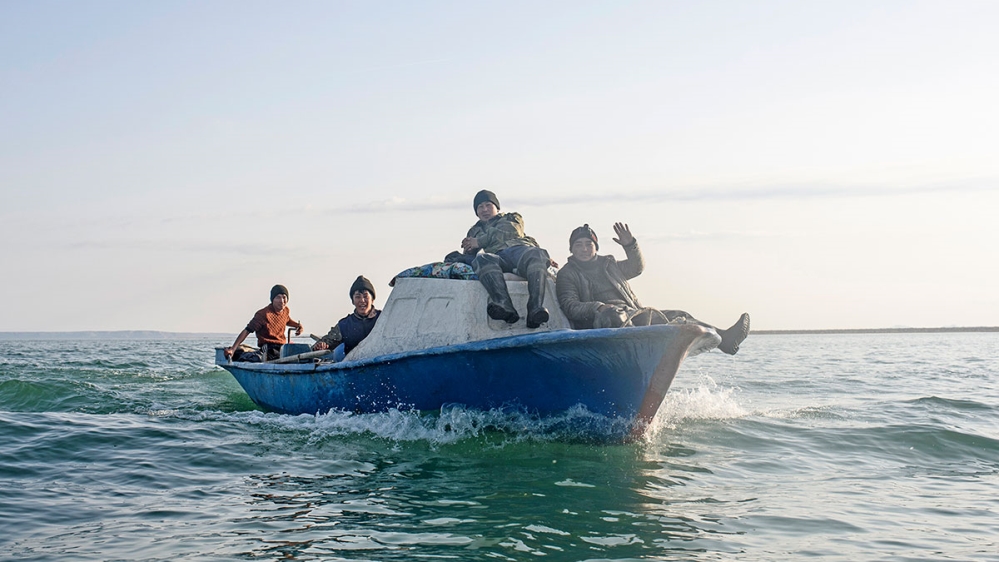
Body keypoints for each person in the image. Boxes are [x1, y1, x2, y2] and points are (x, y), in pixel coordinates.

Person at [555, 223, 751, 355]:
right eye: (578, 245)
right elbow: (570, 305)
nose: (583, 249)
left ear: (595, 247)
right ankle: (636, 354)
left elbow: (636, 268)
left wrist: (630, 245)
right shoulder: (568, 273)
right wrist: (598, 307)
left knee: (678, 315)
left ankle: (724, 340)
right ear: (571, 249)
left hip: (633, 314)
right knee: (613, 316)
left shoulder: (609, 264)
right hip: (601, 323)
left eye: (588, 244)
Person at [459, 190, 553, 329]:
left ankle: (535, 308)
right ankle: (504, 305)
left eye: (488, 205)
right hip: (498, 257)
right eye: (480, 207)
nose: (484, 210)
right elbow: (471, 252)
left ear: (497, 207)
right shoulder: (474, 231)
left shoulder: (511, 217)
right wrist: (466, 251)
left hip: (520, 251)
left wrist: (479, 241)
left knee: (537, 254)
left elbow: (510, 231)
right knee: (481, 259)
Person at [224, 284, 303, 362]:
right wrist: (233, 349)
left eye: (284, 297)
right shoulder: (263, 314)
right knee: (253, 358)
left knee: (302, 356)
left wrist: (298, 326)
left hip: (282, 349)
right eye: (278, 297)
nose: (282, 301)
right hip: (268, 348)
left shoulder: (285, 311)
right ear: (272, 299)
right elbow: (247, 330)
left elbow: (287, 320)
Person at [312, 275, 382, 356]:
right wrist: (320, 345)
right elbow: (326, 341)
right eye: (358, 297)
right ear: (353, 301)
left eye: (366, 296)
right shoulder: (344, 325)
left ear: (372, 299)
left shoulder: (384, 318)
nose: (362, 300)